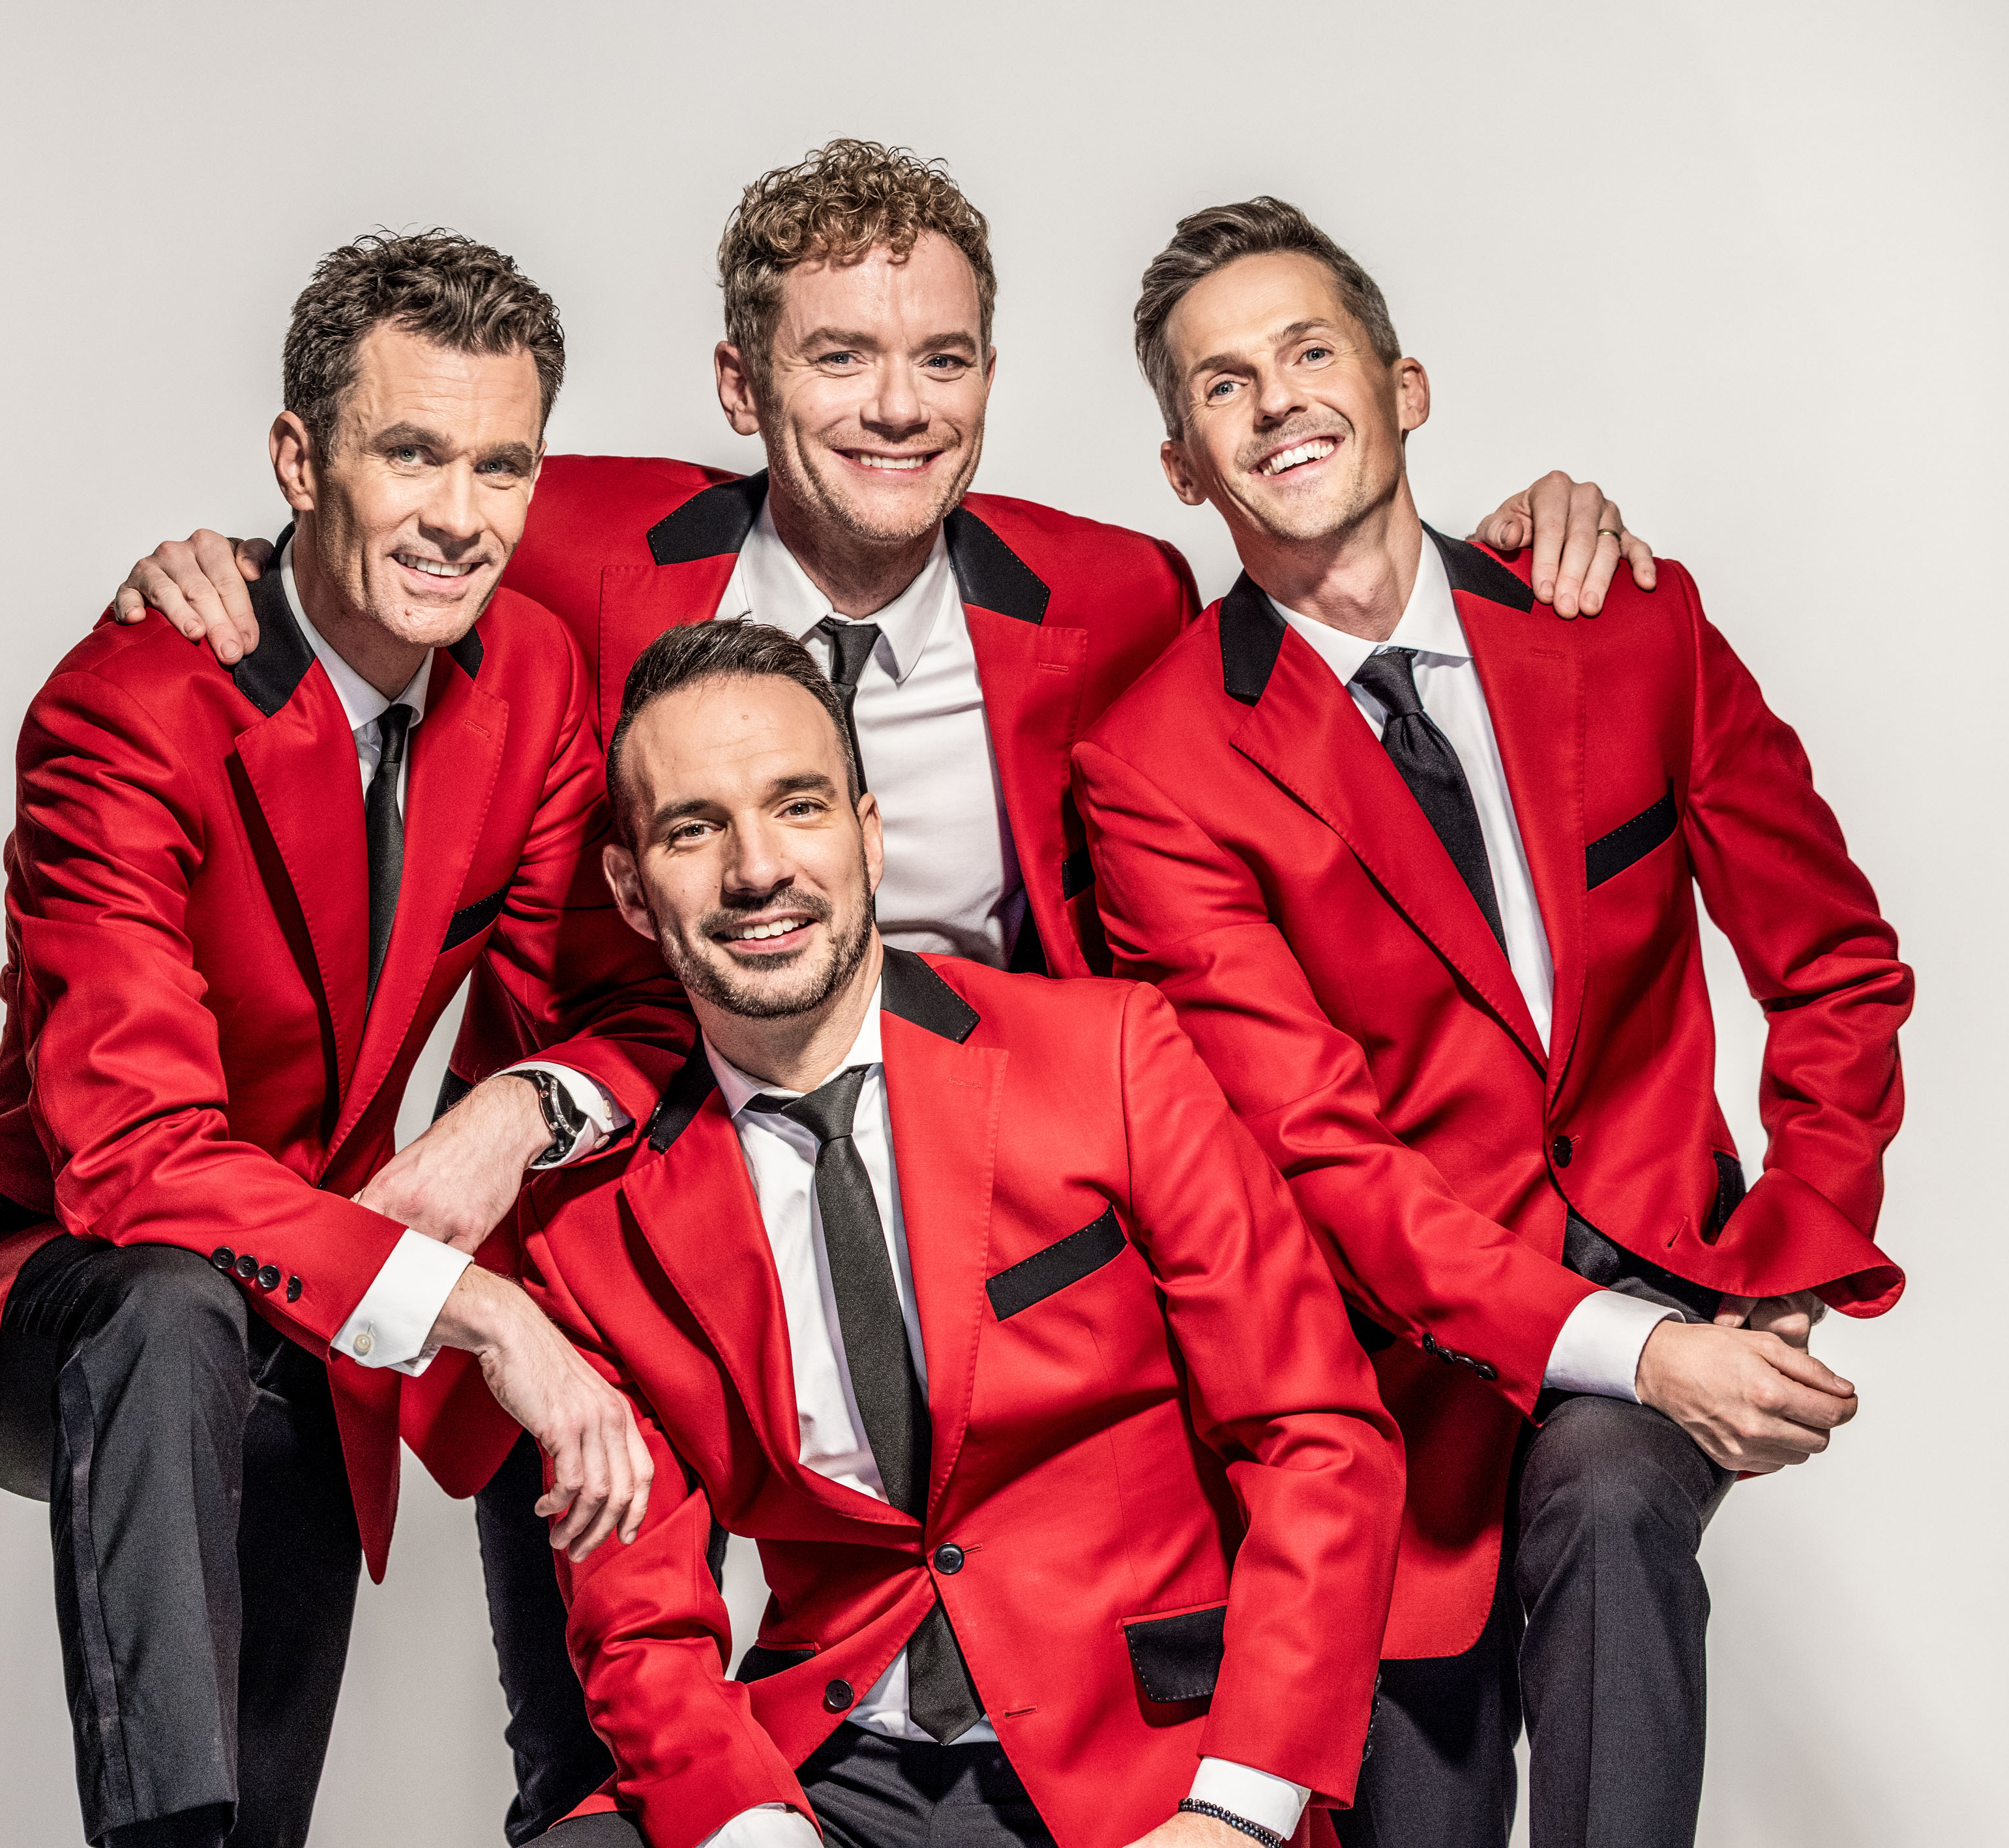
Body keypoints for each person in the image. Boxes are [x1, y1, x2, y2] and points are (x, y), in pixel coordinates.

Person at [107, 142, 1660, 1843]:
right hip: (630, 1225)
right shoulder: (580, 546)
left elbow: (1310, 652)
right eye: (839, 356)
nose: (899, 407)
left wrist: (1507, 551)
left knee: (1100, 1695)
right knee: (602, 1782)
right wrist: (226, 575)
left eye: (943, 358)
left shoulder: (1113, 600)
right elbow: (399, 506)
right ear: (740, 385)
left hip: (1020, 1249)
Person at [1071, 199, 1911, 1848]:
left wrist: (1791, 1251)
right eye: (1222, 384)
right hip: (1383, 1380)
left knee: (1608, 1496)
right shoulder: (1153, 767)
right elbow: (1322, 1157)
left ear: (1404, 388)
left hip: (1659, 1258)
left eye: (1309, 351)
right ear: (1180, 468)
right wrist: (1650, 1355)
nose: (1277, 399)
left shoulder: (1626, 620)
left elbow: (1830, 960)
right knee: (1412, 1796)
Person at [0, 231, 695, 1848]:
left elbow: (617, 1005)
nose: (459, 514)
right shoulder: (127, 708)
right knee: (176, 1310)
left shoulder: (530, 678)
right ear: (300, 463)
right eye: (410, 453)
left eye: (502, 464)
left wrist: (515, 1108)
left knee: (269, 1776)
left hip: (316, 1290)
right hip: (58, 1273)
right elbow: (134, 1157)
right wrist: (480, 1311)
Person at [524, 618, 1401, 1848]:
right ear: (630, 888)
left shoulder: (1106, 1055)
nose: (757, 869)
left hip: (1140, 1761)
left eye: (798, 806)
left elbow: (1320, 1439)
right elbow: (640, 1620)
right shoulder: (594, 1232)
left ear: (870, 836)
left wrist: (1236, 1809)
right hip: (830, 1765)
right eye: (694, 829)